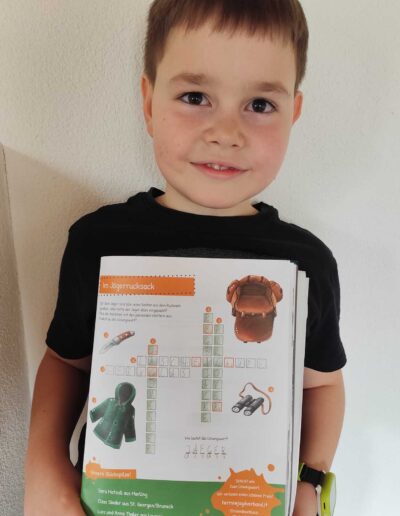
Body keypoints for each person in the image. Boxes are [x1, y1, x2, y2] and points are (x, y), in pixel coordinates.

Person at [24, 1, 346, 515]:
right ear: (149, 103)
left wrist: (310, 482)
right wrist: (44, 476)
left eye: (260, 104)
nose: (226, 132)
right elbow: (66, 362)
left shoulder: (307, 262)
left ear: (295, 113)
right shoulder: (98, 240)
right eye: (196, 97)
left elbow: (323, 383)